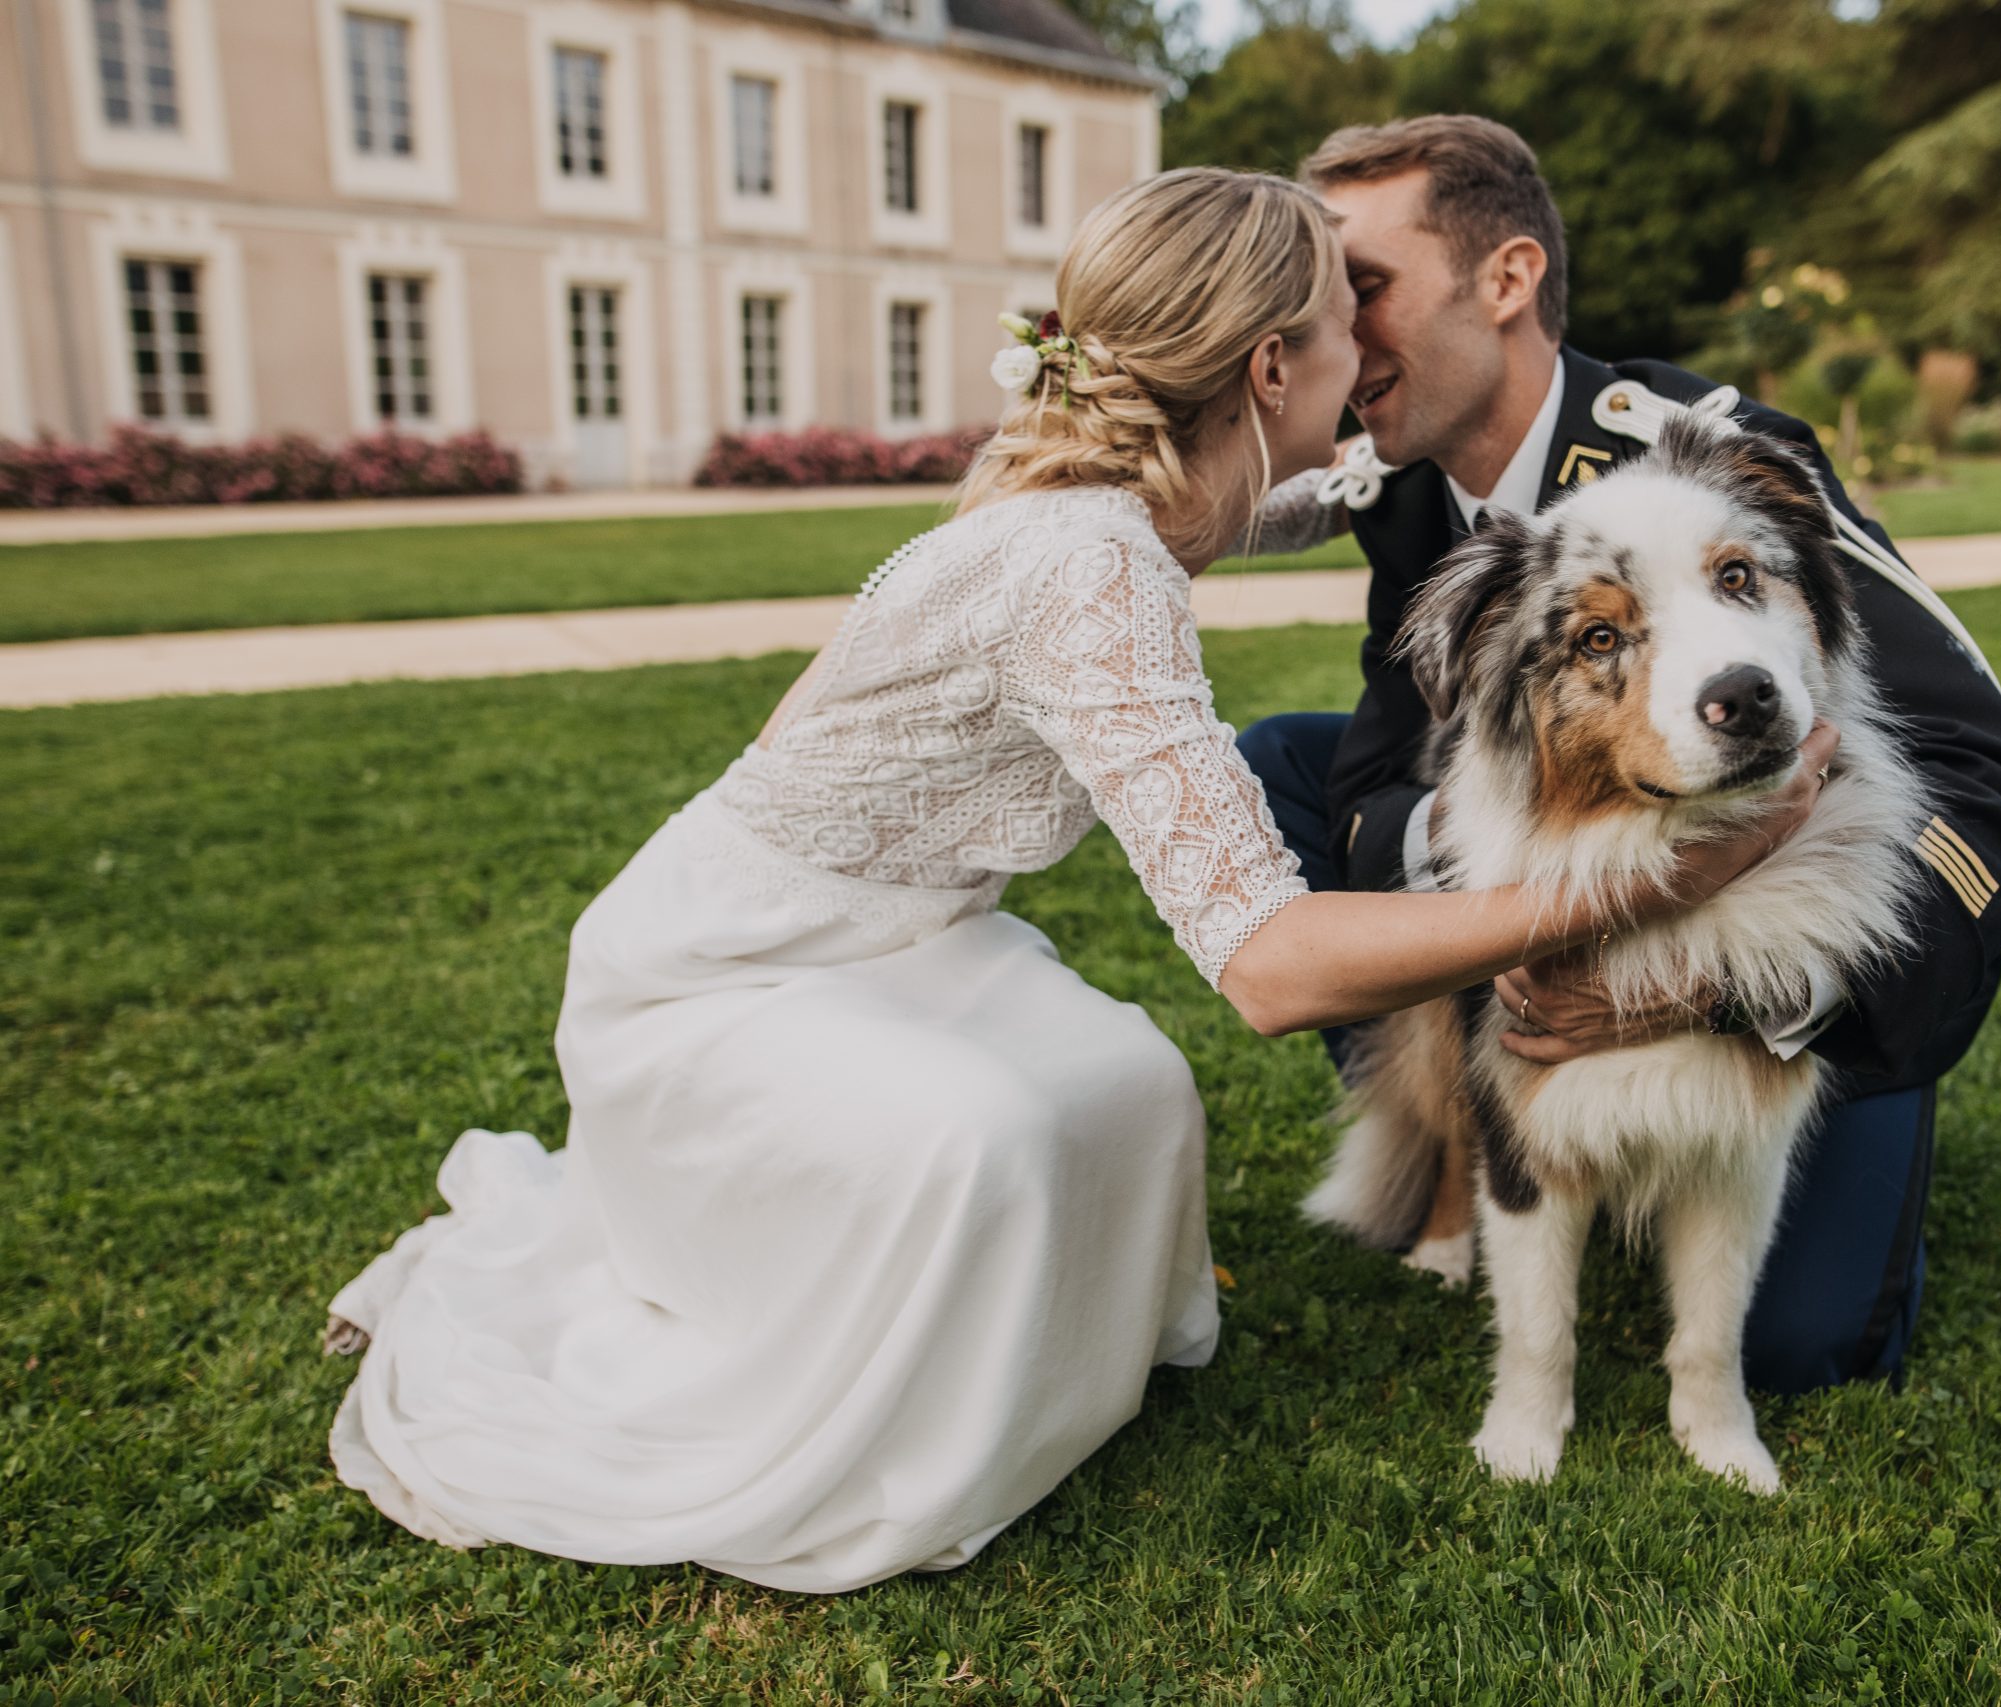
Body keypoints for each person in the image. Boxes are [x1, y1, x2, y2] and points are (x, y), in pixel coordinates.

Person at [319, 168, 1836, 1594]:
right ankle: (895, 1414)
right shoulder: (1085, 561)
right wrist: (1626, 891)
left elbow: (1326, 491)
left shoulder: (1135, 496)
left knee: (1120, 1077)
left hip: (900, 934)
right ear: (1263, 373)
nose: (1363, 356)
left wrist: (1507, 456)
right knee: (979, 1135)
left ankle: (1050, 1367)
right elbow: (1268, 964)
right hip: (727, 967)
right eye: (1336, 328)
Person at [1235, 117, 2001, 1394]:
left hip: (1798, 971)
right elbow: (1378, 770)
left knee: (1806, 1349)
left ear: (1506, 281)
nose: (1328, 341)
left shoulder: (1714, 454)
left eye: (1360, 290)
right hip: (1590, 866)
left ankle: (1683, 1101)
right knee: (1278, 771)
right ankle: (1483, 1113)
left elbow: (1992, 796)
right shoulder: (1408, 494)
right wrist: (1519, 906)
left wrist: (1746, 997)